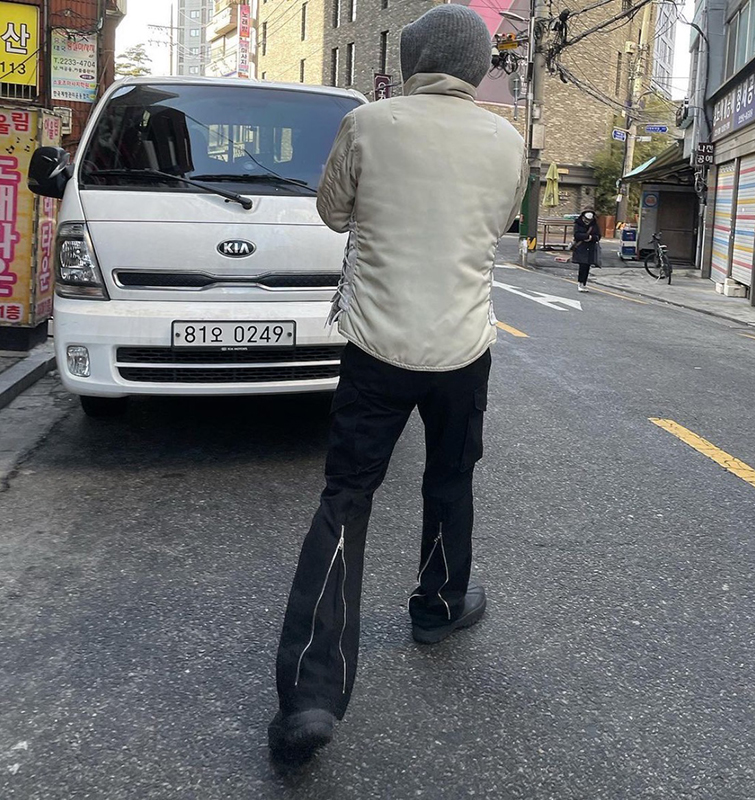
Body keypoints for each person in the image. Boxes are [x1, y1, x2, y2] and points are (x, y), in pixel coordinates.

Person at [268, 4, 528, 761]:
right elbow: (500, 225)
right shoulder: (507, 140)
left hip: (376, 344)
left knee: (347, 497)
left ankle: (311, 697)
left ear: (412, 60)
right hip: (464, 347)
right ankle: (439, 604)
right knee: (450, 477)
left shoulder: (369, 124)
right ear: (478, 66)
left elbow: (332, 212)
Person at [571, 209, 602, 292]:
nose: (589, 220)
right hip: (581, 247)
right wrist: (586, 237)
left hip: (590, 247)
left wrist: (591, 238)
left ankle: (584, 283)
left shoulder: (594, 224)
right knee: (582, 265)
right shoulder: (578, 223)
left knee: (587, 266)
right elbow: (576, 235)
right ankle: (580, 283)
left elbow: (598, 236)